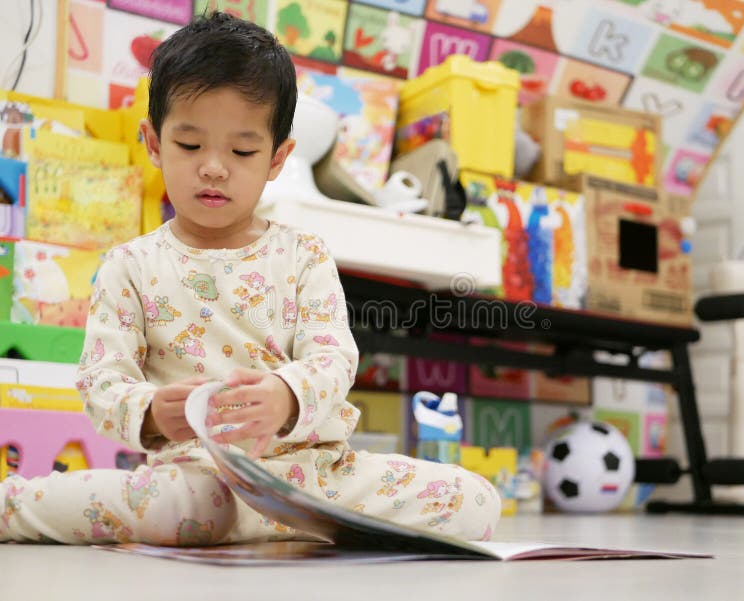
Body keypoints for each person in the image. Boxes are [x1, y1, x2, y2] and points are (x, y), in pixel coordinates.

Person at [0, 12, 500, 545]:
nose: (214, 167)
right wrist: (149, 411)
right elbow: (101, 379)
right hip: (199, 480)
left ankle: (281, 521)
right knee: (181, 506)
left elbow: (333, 358)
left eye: (241, 151)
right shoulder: (130, 265)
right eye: (190, 146)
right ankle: (12, 508)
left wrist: (287, 396)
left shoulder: (304, 254)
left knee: (473, 501)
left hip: (316, 476)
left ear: (277, 158)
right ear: (152, 143)